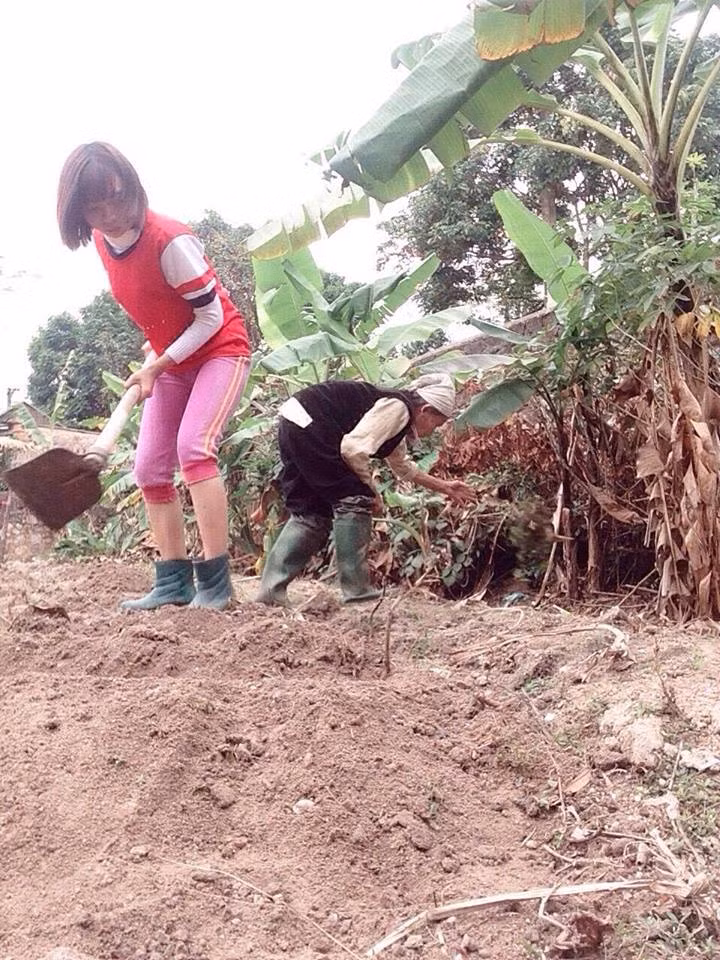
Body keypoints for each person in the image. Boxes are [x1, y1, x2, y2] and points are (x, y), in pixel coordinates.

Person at [57, 142, 251, 611]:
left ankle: (215, 582)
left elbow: (208, 319)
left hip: (220, 351)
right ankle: (172, 582)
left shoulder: (171, 241)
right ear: (77, 211)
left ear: (133, 188)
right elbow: (157, 307)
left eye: (116, 199)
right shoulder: (104, 244)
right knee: (147, 468)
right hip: (172, 359)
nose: (109, 215)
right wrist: (156, 348)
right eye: (95, 207)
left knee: (194, 450)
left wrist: (157, 365)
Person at [255, 375, 476, 606]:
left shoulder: (397, 412)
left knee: (311, 513)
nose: (434, 431)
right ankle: (358, 594)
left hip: (295, 420)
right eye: (437, 424)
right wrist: (370, 491)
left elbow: (402, 467)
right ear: (426, 410)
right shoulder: (398, 408)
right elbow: (353, 450)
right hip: (312, 424)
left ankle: (271, 593)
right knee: (355, 499)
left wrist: (445, 487)